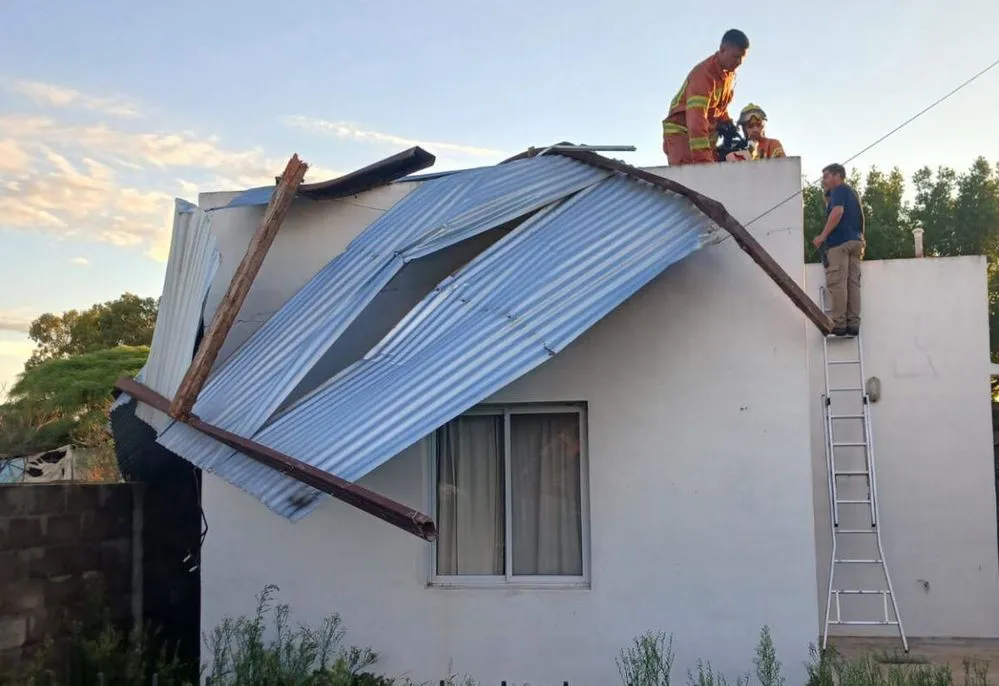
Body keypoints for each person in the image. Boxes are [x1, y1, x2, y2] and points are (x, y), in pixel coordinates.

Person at [662, 29, 750, 166]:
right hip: (682, 133)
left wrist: (727, 122)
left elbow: (718, 108)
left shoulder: (727, 75)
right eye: (735, 56)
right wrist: (705, 164)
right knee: (689, 178)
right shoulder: (703, 75)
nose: (738, 62)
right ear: (722, 49)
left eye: (742, 58)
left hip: (703, 135)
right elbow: (696, 121)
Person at [813, 163, 866, 336]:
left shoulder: (839, 190)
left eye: (826, 176)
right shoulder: (852, 193)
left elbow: (837, 212)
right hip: (856, 242)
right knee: (853, 284)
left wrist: (822, 236)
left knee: (838, 284)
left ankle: (840, 324)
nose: (824, 180)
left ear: (837, 175)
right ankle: (853, 323)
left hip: (840, 244)